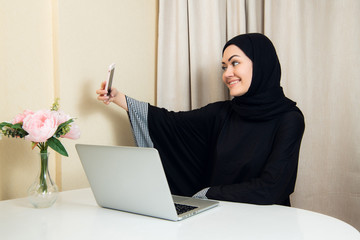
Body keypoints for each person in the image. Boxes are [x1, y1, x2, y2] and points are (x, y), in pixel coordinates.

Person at [96, 33, 305, 206]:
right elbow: (170, 124)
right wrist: (118, 98)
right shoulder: (222, 113)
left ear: (260, 64)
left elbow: (272, 187)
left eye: (235, 63)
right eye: (224, 66)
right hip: (218, 219)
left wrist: (209, 193)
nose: (227, 73)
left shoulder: (289, 119)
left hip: (268, 223)